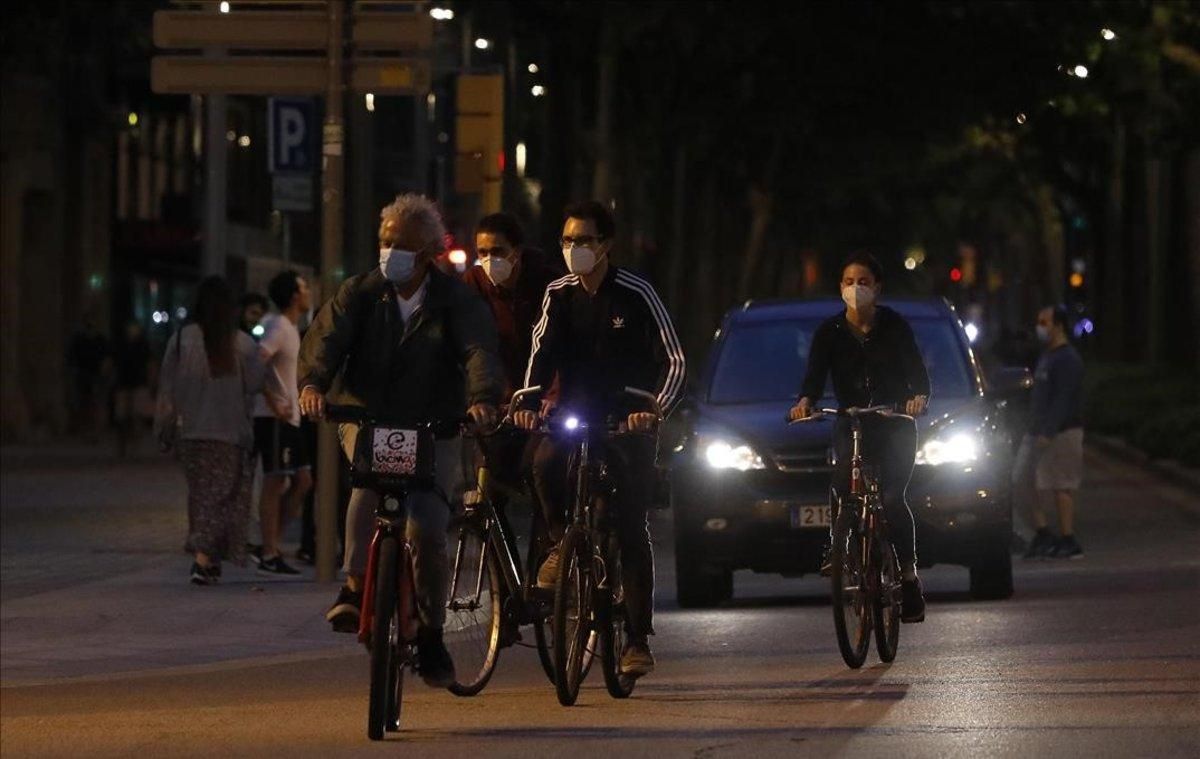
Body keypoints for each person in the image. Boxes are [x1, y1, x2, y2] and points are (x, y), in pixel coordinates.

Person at [298, 194, 502, 688]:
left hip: (436, 426)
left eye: (403, 245)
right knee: (365, 490)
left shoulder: (456, 302)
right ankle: (352, 585)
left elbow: (479, 351)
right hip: (367, 418)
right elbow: (325, 339)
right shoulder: (360, 293)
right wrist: (313, 386)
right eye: (385, 243)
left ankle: (432, 634)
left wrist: (481, 400)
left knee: (428, 526)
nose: (391, 253)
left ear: (430, 252)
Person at [514, 200, 686, 679]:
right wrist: (527, 403)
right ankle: (558, 545)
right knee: (544, 463)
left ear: (606, 245)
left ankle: (636, 638)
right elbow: (540, 354)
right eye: (567, 241)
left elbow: (673, 360)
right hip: (574, 414)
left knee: (629, 524)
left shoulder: (636, 292)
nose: (575, 250)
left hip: (628, 420)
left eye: (584, 241)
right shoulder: (558, 293)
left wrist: (652, 409)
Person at [788, 251, 930, 623]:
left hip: (894, 423)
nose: (856, 289)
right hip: (851, 424)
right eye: (849, 282)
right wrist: (805, 402)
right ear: (840, 288)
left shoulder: (895, 326)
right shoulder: (829, 332)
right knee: (841, 484)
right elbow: (814, 379)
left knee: (892, 498)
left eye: (863, 282)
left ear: (877, 288)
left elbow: (918, 373)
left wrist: (916, 399)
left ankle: (909, 578)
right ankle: (838, 548)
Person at [155, 276, 281, 585]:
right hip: (229, 434)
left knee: (202, 498)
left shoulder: (182, 340)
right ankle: (201, 559)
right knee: (224, 498)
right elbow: (254, 384)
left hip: (191, 434)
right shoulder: (241, 343)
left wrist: (164, 429)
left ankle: (209, 560)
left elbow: (167, 390)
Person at [250, 271, 314, 575]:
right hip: (274, 417)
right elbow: (257, 359)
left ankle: (270, 542)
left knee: (302, 481)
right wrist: (272, 398)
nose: (308, 292)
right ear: (293, 295)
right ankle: (268, 550)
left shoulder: (290, 327)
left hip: (291, 417)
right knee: (276, 480)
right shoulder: (277, 326)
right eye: (304, 287)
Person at [1017, 305, 1086, 560]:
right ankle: (1043, 532)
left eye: (1044, 322)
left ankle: (1068, 538)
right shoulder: (1047, 356)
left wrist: (1049, 430)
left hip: (1062, 432)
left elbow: (1063, 398)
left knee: (1061, 484)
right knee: (1023, 480)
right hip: (1037, 431)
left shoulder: (1068, 359)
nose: (1040, 327)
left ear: (1058, 325)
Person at [112, 321, 152, 457]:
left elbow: (149, 363)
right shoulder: (120, 345)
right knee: (122, 416)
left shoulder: (143, 345)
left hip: (139, 383)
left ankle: (135, 444)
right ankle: (122, 445)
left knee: (137, 415)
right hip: (123, 383)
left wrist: (151, 380)